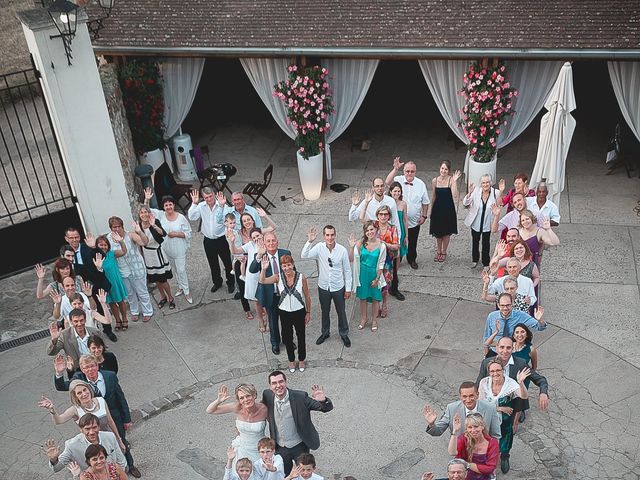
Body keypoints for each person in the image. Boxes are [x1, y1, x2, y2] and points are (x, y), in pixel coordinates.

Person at [54, 355, 140, 477]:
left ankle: (130, 467)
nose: (90, 370)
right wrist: (59, 372)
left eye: (92, 366)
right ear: (82, 370)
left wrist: (125, 422)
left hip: (110, 428)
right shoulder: (79, 380)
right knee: (100, 461)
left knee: (122, 448)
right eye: (86, 367)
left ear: (97, 366)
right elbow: (63, 386)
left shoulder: (109, 376)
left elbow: (120, 398)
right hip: (93, 440)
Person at [262, 371, 333, 475]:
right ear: (270, 385)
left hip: (299, 445)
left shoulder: (301, 397)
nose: (278, 385)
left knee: (304, 472)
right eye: (274, 383)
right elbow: (259, 408)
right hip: (280, 446)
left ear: (286, 382)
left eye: (281, 381)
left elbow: (324, 408)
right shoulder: (267, 395)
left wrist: (323, 401)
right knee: (285, 472)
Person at [38, 379, 125, 451]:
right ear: (75, 396)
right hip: (95, 447)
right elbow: (59, 420)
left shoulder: (101, 400)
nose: (84, 394)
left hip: (110, 440)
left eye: (85, 390)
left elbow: (110, 421)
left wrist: (119, 439)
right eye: (79, 393)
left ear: (89, 389)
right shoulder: (75, 410)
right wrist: (52, 410)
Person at [301, 225, 352, 348]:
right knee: (325, 311)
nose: (330, 237)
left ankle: (344, 333)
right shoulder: (319, 247)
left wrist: (348, 288)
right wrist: (310, 241)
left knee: (341, 312)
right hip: (324, 286)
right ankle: (325, 333)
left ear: (335, 235)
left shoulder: (342, 250)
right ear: (324, 236)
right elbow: (304, 255)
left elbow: (347, 270)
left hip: (338, 286)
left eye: (332, 235)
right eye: (327, 235)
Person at [478, 359, 531, 474]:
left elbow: (524, 395)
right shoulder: (484, 382)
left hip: (505, 421)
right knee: (487, 442)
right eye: (492, 371)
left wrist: (521, 383)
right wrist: (499, 408)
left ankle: (505, 457)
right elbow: (480, 405)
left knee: (506, 440)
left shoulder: (510, 383)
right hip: (487, 419)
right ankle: (488, 461)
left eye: (498, 370)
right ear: (489, 372)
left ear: (503, 370)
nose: (495, 373)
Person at [260, 255, 311, 372]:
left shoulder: (302, 277)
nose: (287, 268)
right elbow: (262, 280)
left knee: (301, 336)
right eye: (284, 266)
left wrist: (308, 312)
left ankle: (302, 359)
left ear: (293, 265)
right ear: (281, 267)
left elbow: (307, 296)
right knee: (287, 338)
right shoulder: (278, 277)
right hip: (284, 313)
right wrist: (263, 269)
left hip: (299, 311)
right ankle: (291, 361)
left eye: (289, 265)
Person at [64, 227, 116, 342]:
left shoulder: (87, 246)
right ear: (66, 239)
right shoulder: (66, 252)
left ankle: (108, 330)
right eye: (71, 238)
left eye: (76, 237)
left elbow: (102, 256)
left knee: (101, 308)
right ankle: (90, 335)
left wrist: (94, 247)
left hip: (96, 283)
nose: (74, 240)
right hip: (80, 288)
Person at [144, 189, 194, 304]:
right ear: (163, 206)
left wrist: (176, 234)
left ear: (173, 205)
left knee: (181, 270)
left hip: (179, 248)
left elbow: (188, 233)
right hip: (167, 248)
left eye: (170, 204)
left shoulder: (181, 217)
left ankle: (187, 291)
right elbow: (146, 210)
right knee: (175, 269)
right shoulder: (160, 215)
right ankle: (181, 287)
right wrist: (147, 199)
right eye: (166, 205)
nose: (168, 207)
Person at [476, 336, 550, 412]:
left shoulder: (520, 364)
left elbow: (540, 380)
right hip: (491, 404)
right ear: (497, 348)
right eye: (502, 347)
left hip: (512, 406)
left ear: (513, 349)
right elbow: (479, 382)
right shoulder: (486, 362)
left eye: (508, 348)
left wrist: (543, 393)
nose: (505, 351)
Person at [248, 232, 292, 355]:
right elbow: (252, 269)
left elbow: (292, 270)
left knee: (286, 319)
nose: (271, 243)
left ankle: (288, 340)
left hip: (284, 293)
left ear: (277, 242)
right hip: (270, 294)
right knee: (273, 320)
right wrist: (259, 256)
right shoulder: (261, 255)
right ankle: (275, 342)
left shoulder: (285, 253)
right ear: (264, 244)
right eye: (268, 241)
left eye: (273, 241)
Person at [43, 413, 126, 474]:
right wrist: (53, 459)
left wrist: (120, 474)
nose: (92, 432)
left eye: (94, 427)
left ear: (99, 427)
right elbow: (56, 468)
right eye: (87, 429)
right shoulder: (72, 445)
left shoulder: (110, 436)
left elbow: (121, 459)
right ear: (81, 429)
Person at [385, 157, 430, 269]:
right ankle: (397, 260)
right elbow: (387, 182)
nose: (409, 173)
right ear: (404, 171)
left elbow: (425, 202)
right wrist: (395, 169)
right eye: (407, 171)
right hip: (398, 221)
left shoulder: (420, 184)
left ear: (415, 171)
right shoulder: (398, 179)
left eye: (412, 171)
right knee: (397, 240)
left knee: (412, 242)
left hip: (414, 222)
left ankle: (412, 259)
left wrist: (424, 216)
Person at [188, 187, 235, 294]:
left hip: (221, 239)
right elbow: (192, 217)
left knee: (227, 263)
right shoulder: (201, 206)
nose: (209, 199)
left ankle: (231, 282)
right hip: (208, 240)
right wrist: (194, 204)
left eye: (210, 196)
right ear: (203, 198)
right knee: (213, 264)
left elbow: (228, 220)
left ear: (214, 195)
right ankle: (217, 282)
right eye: (206, 197)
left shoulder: (223, 205)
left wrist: (222, 206)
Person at [107, 216, 153, 322]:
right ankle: (134, 311)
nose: (117, 229)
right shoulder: (109, 238)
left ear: (122, 226)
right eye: (114, 227)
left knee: (141, 291)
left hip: (136, 268)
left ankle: (147, 311)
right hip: (121, 270)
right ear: (111, 228)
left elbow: (145, 242)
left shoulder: (130, 235)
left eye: (119, 226)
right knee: (129, 293)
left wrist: (140, 232)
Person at [206, 384, 268, 464]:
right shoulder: (236, 407)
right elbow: (210, 410)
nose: (245, 400)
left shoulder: (264, 409)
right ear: (239, 400)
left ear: (254, 395)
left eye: (248, 396)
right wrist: (218, 401)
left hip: (260, 449)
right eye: (241, 398)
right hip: (242, 449)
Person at [423, 381, 501, 439]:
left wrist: (493, 455)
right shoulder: (451, 409)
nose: (468, 400)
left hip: (483, 454)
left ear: (477, 395)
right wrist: (431, 424)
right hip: (460, 453)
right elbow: (438, 431)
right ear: (460, 397)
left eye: (471, 396)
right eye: (464, 396)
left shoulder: (490, 408)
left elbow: (495, 436)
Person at [348, 221, 386, 332]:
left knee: (375, 298)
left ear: (376, 230)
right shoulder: (361, 243)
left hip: (374, 273)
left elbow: (381, 264)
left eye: (371, 229)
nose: (370, 232)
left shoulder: (381, 245)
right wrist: (352, 247)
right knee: (363, 297)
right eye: (367, 230)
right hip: (362, 273)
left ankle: (374, 320)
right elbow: (351, 258)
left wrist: (377, 279)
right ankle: (364, 318)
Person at [137, 204, 175, 309]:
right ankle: (163, 297)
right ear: (139, 215)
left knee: (163, 279)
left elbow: (163, 233)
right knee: (156, 279)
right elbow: (140, 242)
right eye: (141, 212)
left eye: (145, 212)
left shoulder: (155, 221)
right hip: (148, 254)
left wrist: (154, 225)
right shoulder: (138, 226)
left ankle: (170, 297)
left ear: (149, 213)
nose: (144, 214)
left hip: (157, 253)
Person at [364, 205, 399, 318]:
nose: (383, 216)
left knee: (385, 284)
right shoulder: (374, 226)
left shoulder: (392, 228)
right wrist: (366, 203)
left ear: (389, 216)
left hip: (387, 261)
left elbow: (396, 246)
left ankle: (384, 305)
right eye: (381, 214)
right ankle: (376, 304)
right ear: (377, 215)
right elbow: (361, 219)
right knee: (375, 282)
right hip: (374, 259)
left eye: (386, 214)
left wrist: (384, 244)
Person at [228, 227, 266, 327]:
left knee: (267, 299)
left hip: (265, 275)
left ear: (261, 235)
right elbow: (235, 251)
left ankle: (268, 318)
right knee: (257, 301)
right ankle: (261, 321)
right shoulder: (250, 245)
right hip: (253, 276)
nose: (256, 238)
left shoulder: (267, 243)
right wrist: (232, 242)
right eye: (253, 237)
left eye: (257, 235)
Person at [462, 174, 501, 269]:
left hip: (487, 224)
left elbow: (500, 204)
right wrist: (469, 193)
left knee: (486, 244)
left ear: (491, 183)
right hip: (476, 223)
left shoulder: (496, 192)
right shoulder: (476, 191)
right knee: (475, 242)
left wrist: (502, 191)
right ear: (481, 184)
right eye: (483, 182)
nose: (485, 184)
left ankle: (486, 263)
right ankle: (475, 259)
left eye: (487, 182)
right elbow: (465, 203)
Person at [93, 234, 129, 331]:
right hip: (104, 284)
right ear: (96, 246)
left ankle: (125, 318)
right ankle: (118, 320)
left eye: (105, 245)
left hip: (115, 282)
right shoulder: (96, 257)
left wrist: (121, 241)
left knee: (120, 301)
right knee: (111, 303)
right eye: (101, 245)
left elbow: (124, 251)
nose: (104, 247)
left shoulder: (112, 254)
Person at [447, 413, 499, 480]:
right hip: (464, 476)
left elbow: (490, 469)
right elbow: (452, 452)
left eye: (476, 426)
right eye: (470, 427)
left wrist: (466, 464)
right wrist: (455, 431)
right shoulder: (464, 438)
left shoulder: (492, 443)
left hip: (484, 477)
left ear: (482, 426)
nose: (473, 430)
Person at [428, 161, 461, 262]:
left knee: (446, 232)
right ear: (439, 168)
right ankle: (438, 251)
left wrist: (454, 181)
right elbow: (433, 196)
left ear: (449, 171)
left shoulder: (451, 180)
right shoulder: (435, 180)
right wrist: (430, 209)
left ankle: (444, 251)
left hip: (448, 209)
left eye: (446, 169)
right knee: (438, 232)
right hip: (437, 209)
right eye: (442, 168)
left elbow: (455, 195)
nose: (443, 171)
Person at [511, 323, 538, 429]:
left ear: (527, 334)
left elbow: (534, 366)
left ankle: (518, 416)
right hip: (510, 375)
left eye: (522, 332)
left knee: (520, 397)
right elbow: (489, 343)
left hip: (523, 377)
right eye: (517, 332)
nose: (520, 335)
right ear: (513, 335)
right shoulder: (509, 346)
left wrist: (527, 377)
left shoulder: (531, 349)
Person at [388, 181, 409, 263]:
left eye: (399, 191)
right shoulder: (387, 202)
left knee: (399, 250)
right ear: (390, 192)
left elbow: (405, 220)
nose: (397, 193)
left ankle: (396, 267)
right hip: (389, 230)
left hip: (400, 229)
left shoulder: (403, 204)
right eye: (395, 191)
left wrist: (406, 236)